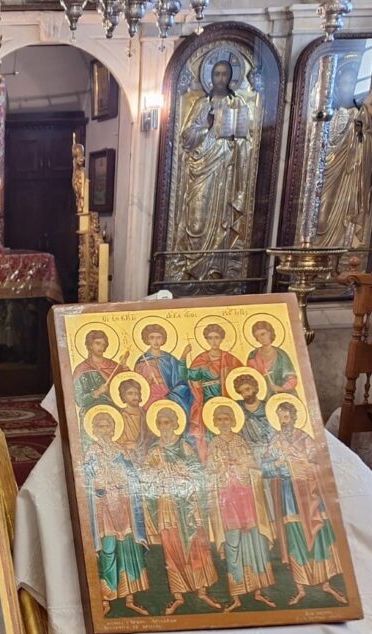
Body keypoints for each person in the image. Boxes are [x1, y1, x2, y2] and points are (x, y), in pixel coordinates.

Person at [170, 58, 258, 283]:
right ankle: (191, 269)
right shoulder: (202, 104)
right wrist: (208, 126)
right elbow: (186, 137)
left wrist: (236, 140)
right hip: (202, 166)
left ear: (231, 77)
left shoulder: (237, 103)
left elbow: (248, 140)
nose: (221, 78)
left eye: (224, 74)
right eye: (217, 74)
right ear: (210, 77)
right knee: (196, 219)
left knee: (222, 220)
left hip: (226, 169)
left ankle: (216, 271)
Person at [263, 401, 346, 605]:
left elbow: (319, 462)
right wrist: (279, 464)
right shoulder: (276, 441)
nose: (283, 421)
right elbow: (265, 468)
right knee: (295, 536)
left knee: (319, 535)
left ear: (293, 417)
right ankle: (300, 587)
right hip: (289, 495)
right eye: (280, 418)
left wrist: (304, 464)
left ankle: (326, 583)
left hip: (311, 494)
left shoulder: (305, 438)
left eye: (286, 417)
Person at [142, 405, 220, 614]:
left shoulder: (184, 446)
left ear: (175, 424)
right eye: (160, 423)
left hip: (187, 503)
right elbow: (145, 477)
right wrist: (159, 473)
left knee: (196, 546)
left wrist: (181, 470)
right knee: (172, 546)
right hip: (167, 503)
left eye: (167, 422)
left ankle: (202, 590)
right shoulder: (154, 451)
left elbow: (197, 472)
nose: (163, 427)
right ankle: (178, 595)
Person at [205, 403, 276, 611]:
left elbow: (254, 467)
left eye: (226, 418)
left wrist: (241, 465)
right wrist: (222, 468)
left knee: (254, 542)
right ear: (215, 423)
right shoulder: (214, 445)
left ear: (233, 421)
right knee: (233, 544)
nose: (223, 423)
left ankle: (258, 590)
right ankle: (236, 595)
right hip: (227, 503)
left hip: (246, 500)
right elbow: (209, 474)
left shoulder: (241, 441)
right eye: (219, 419)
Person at [83, 411, 150, 617]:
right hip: (103, 509)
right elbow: (86, 479)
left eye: (108, 426)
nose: (105, 430)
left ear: (113, 429)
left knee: (127, 548)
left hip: (123, 506)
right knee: (109, 549)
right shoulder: (91, 452)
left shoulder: (120, 450)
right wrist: (99, 484)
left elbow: (133, 476)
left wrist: (125, 477)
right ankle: (106, 598)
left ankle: (130, 598)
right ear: (94, 430)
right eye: (100, 426)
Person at [314, 60, 372, 250]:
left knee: (343, 214)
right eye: (343, 83)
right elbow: (319, 146)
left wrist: (359, 136)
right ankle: (319, 249)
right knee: (321, 216)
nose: (347, 88)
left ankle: (340, 254)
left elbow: (370, 143)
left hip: (349, 176)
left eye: (351, 84)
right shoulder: (329, 114)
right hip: (328, 175)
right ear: (336, 87)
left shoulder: (361, 115)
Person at [134, 323, 215, 431]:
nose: (155, 341)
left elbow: (181, 379)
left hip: (170, 396)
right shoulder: (142, 360)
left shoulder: (169, 359)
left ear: (163, 339)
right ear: (147, 340)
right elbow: (137, 383)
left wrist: (171, 395)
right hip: (149, 398)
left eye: (159, 337)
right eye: (152, 338)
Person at [73, 329, 129, 415]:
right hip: (92, 411)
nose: (101, 347)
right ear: (90, 345)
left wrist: (124, 367)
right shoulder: (81, 369)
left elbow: (128, 386)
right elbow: (79, 400)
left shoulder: (114, 366)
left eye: (103, 345)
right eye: (97, 343)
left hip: (115, 410)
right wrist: (97, 392)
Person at [247, 320, 298, 394]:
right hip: (262, 393)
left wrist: (281, 388)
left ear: (270, 333)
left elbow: (292, 378)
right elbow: (250, 377)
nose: (261, 338)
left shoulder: (281, 355)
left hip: (282, 393)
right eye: (257, 336)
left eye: (263, 334)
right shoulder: (253, 355)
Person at [115, 379, 152, 459]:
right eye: (130, 393)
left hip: (146, 457)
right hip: (126, 457)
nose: (135, 396)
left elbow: (153, 440)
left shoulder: (147, 416)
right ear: (123, 396)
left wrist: (137, 446)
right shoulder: (119, 417)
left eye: (137, 393)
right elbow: (116, 443)